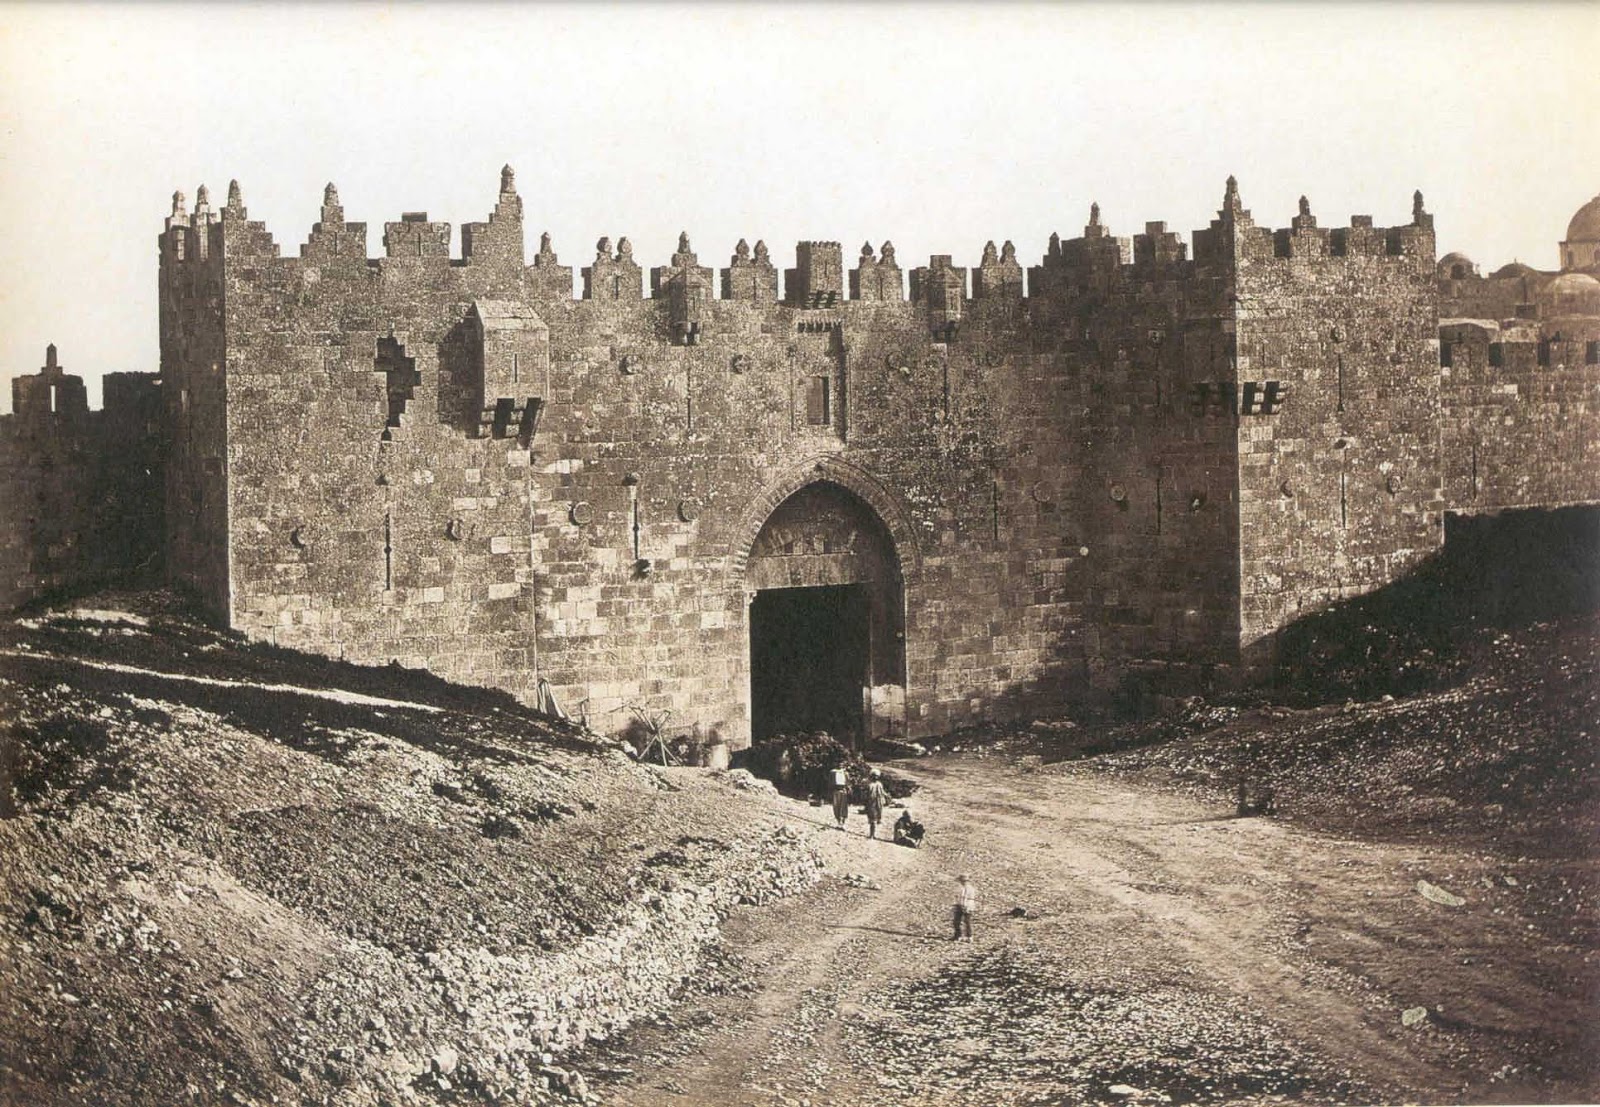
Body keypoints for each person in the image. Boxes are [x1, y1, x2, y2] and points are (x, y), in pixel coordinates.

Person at [864, 770, 888, 839]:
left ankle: (873, 834)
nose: (875, 778)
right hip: (871, 802)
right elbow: (867, 795)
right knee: (872, 819)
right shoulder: (869, 784)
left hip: (879, 802)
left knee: (877, 818)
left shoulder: (879, 784)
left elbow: (882, 792)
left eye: (877, 776)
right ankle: (872, 834)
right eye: (874, 776)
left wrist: (887, 796)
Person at [953, 874, 977, 942]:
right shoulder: (963, 888)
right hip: (962, 905)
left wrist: (964, 906)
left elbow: (966, 898)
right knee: (958, 921)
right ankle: (960, 935)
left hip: (967, 906)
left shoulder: (968, 888)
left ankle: (968, 936)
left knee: (966, 921)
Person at [829, 764, 850, 830]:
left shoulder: (845, 773)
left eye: (842, 765)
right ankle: (838, 823)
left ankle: (843, 823)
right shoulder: (833, 772)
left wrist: (848, 790)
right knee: (836, 807)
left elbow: (848, 783)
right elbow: (831, 782)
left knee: (843, 807)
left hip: (843, 791)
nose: (840, 766)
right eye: (839, 764)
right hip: (836, 791)